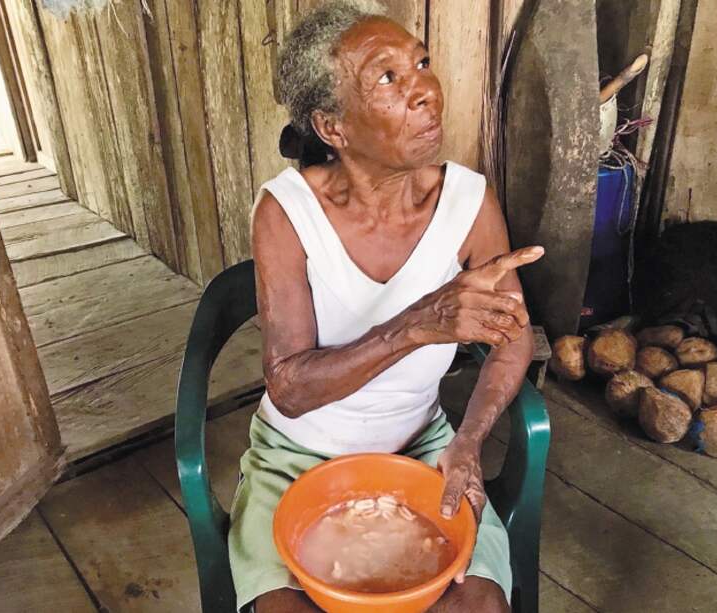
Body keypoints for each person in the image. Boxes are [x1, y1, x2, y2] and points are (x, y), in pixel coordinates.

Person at [228, 1, 544, 611]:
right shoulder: (286, 213)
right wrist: (419, 324)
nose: (425, 89)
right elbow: (290, 387)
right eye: (388, 78)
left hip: (425, 448)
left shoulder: (469, 202)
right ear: (333, 127)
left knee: (475, 604)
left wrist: (470, 439)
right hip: (295, 458)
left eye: (421, 63)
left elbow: (514, 335)